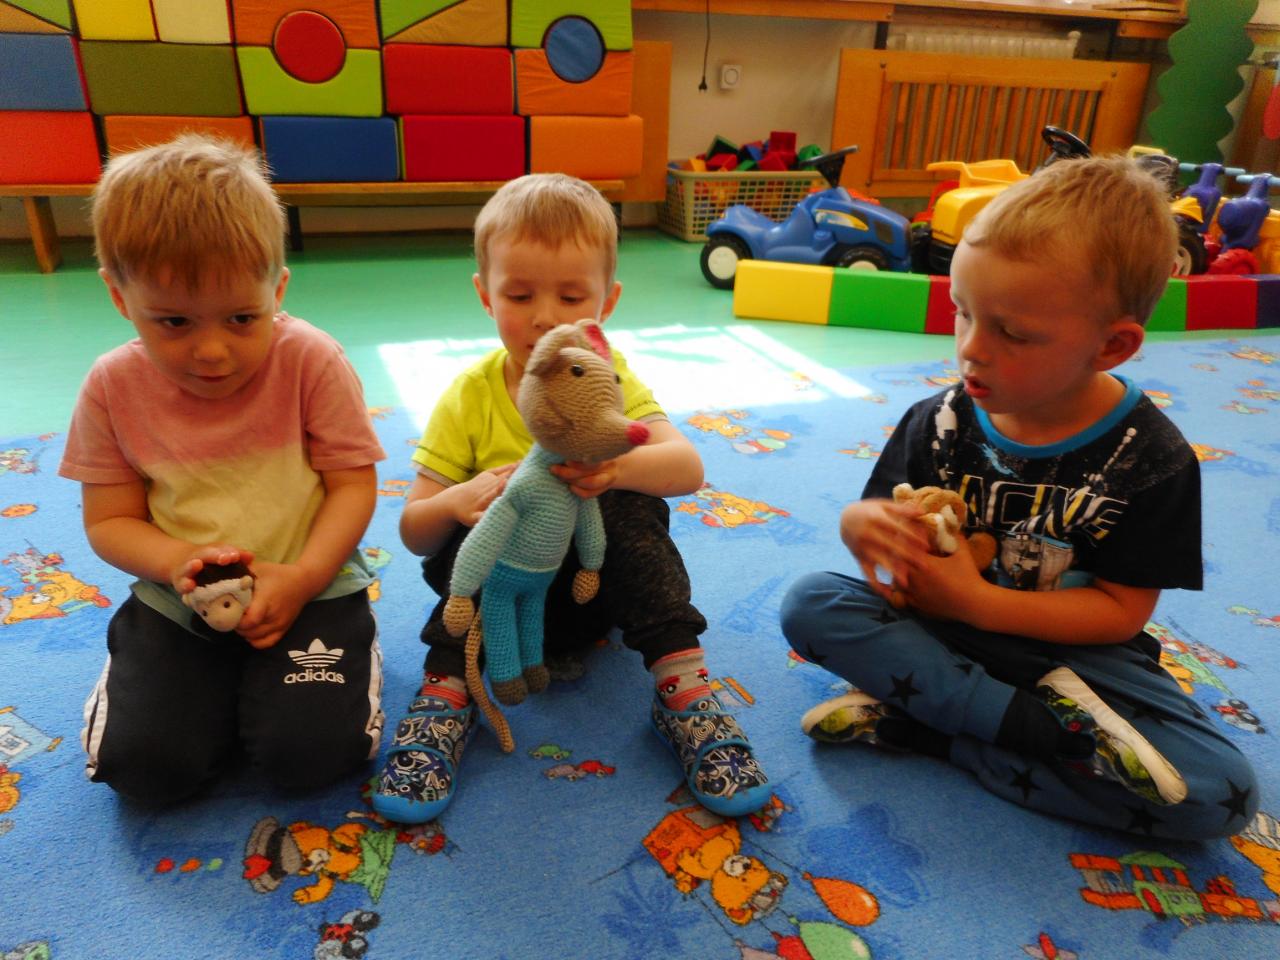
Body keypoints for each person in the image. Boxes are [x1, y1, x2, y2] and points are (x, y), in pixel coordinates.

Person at [781, 155, 1258, 839]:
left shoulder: (1152, 458)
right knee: (811, 602)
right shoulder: (940, 420)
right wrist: (863, 525)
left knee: (1221, 795)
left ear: (1112, 346)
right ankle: (1028, 734)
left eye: (1012, 333)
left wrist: (979, 603)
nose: (971, 350)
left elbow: (1121, 613)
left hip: (1072, 662)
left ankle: (933, 730)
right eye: (962, 312)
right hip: (938, 636)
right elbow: (889, 520)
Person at [371, 173, 770, 823]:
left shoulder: (605, 381)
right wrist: (458, 501)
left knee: (633, 504)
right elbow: (415, 532)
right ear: (485, 294)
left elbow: (687, 468)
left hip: (593, 598)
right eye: (519, 294)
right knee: (476, 530)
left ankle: (683, 689)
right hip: (498, 609)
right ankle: (448, 693)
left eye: (571, 296)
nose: (545, 316)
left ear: (606, 303)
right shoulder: (469, 395)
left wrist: (615, 469)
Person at [59, 135, 387, 805]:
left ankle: (354, 651)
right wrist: (177, 562)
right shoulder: (111, 386)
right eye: (173, 322)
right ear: (120, 297)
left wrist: (303, 577)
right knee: (145, 769)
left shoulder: (312, 361)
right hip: (179, 603)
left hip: (312, 587)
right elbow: (110, 520)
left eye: (242, 317)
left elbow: (353, 486)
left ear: (278, 287)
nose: (212, 351)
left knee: (311, 756)